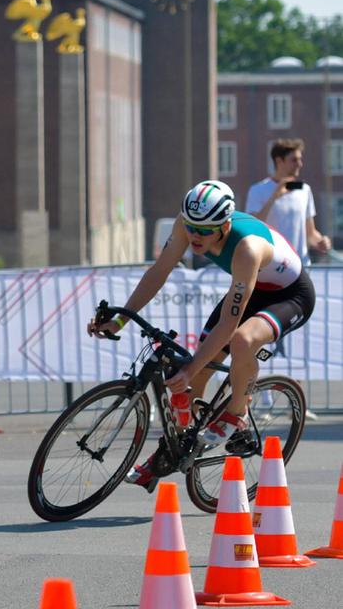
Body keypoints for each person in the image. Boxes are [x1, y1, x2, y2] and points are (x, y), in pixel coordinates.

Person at [88, 180, 315, 491]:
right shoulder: (188, 224)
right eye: (192, 227)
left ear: (224, 225)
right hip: (251, 288)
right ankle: (173, 451)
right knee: (192, 383)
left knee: (241, 341)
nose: (195, 236)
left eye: (205, 231)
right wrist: (119, 320)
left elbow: (230, 323)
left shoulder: (247, 248)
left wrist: (191, 366)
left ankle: (237, 414)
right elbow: (159, 271)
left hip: (289, 296)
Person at [244, 138, 332, 265]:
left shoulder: (305, 190)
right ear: (279, 161)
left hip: (301, 266)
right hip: (272, 267)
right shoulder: (257, 190)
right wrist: (274, 197)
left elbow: (310, 233)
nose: (300, 164)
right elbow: (253, 228)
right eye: (294, 160)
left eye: (300, 159)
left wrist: (321, 242)